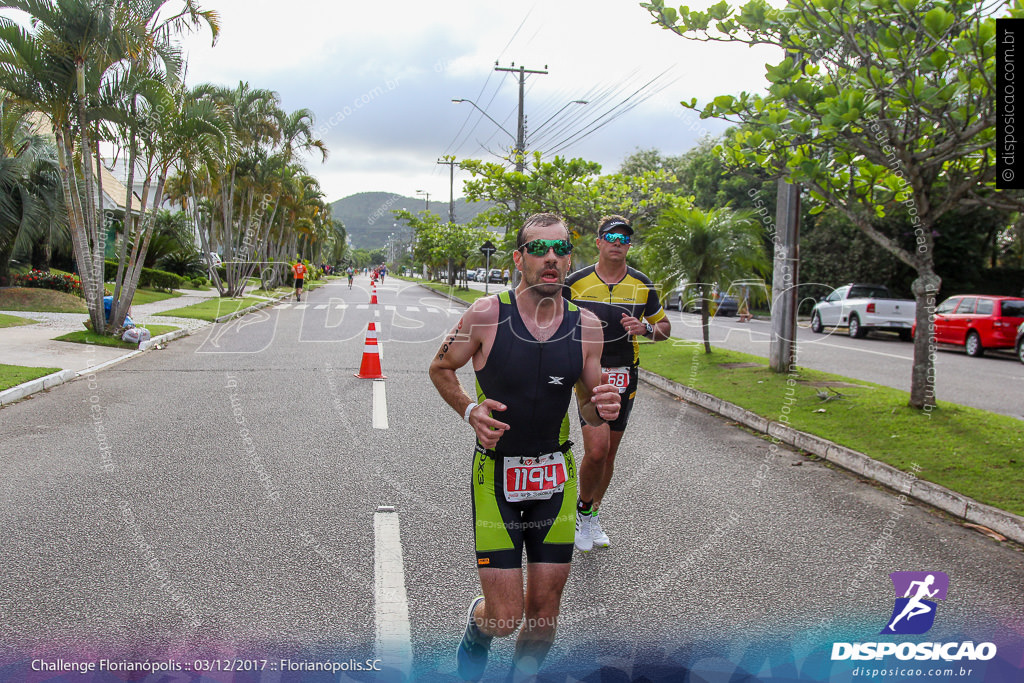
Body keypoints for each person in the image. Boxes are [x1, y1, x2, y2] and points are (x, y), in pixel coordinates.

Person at [429, 212, 620, 681]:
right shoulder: (485, 314)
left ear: (570, 258)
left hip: (555, 479)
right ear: (519, 259)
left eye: (560, 249)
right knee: (504, 616)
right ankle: (478, 626)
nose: (550, 258)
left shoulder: (588, 327)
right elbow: (439, 366)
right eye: (538, 249)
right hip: (495, 477)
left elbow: (590, 408)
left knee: (543, 612)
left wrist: (604, 408)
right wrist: (469, 410)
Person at [565, 215, 672, 552]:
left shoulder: (642, 285)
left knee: (609, 452)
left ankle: (593, 514)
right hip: (588, 373)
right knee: (596, 450)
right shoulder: (577, 282)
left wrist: (647, 330)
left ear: (629, 245)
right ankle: (582, 511)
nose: (617, 243)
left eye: (624, 238)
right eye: (611, 236)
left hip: (625, 372)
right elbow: (551, 318)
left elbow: (665, 327)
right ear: (598, 242)